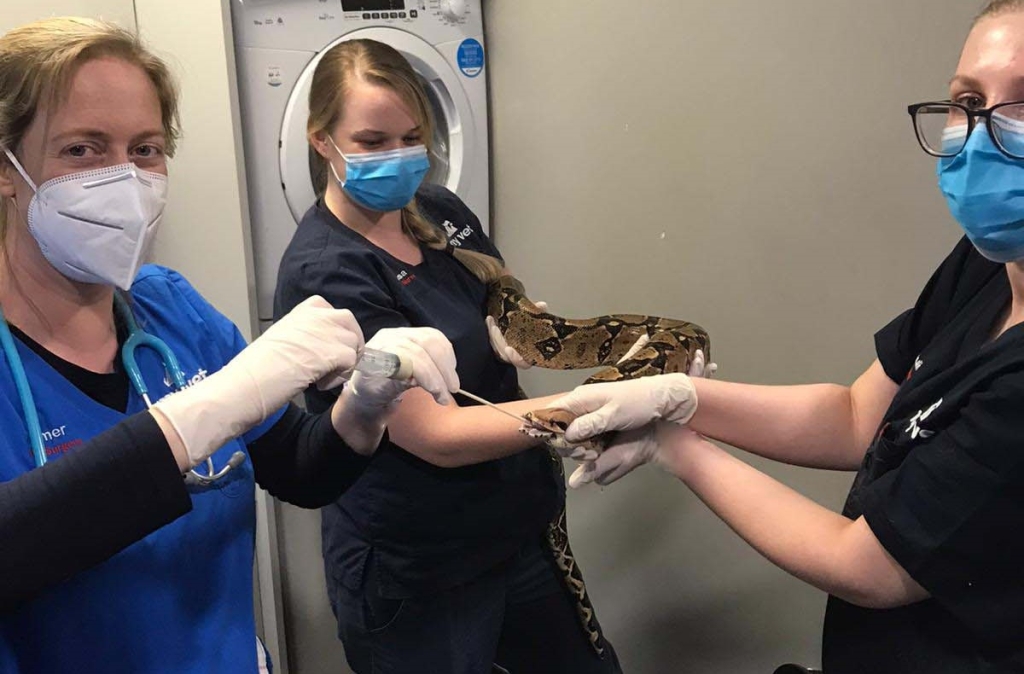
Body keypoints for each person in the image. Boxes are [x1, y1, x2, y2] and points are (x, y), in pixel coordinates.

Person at [548, 1, 1024, 672]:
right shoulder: (987, 265)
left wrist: (674, 447)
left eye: (1022, 106)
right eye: (967, 102)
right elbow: (855, 416)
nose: (980, 135)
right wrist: (683, 398)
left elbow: (867, 566)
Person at [0, 17, 459, 673]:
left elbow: (297, 469)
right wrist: (215, 406)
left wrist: (363, 407)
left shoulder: (169, 310)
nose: (124, 179)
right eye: (82, 150)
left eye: (145, 149)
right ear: (7, 167)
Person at [274, 38, 625, 674]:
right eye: (372, 141)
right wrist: (594, 404)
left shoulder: (438, 209)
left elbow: (499, 293)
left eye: (412, 137)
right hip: (422, 568)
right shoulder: (326, 271)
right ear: (321, 139)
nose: (398, 155)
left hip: (519, 531)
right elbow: (435, 436)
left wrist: (522, 327)